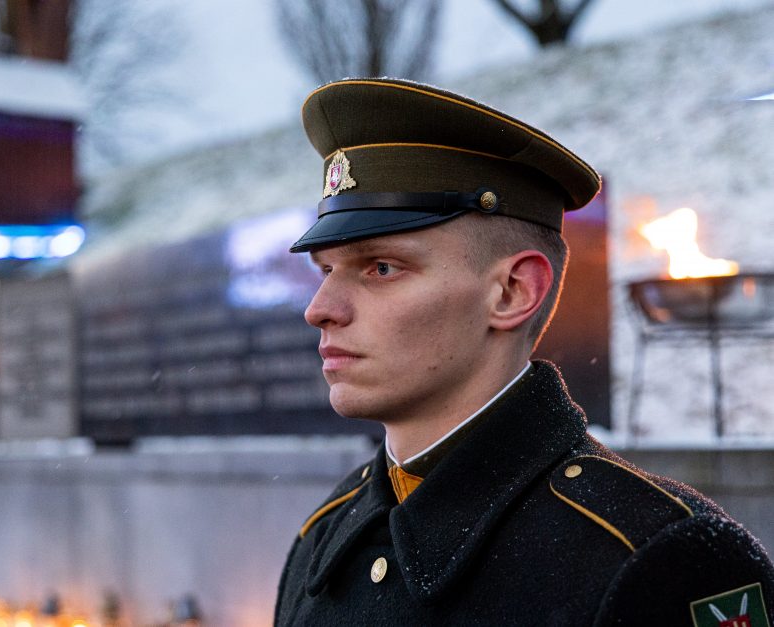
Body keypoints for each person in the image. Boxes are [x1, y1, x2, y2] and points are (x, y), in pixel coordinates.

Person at [274, 78, 774, 626]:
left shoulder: (662, 560)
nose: (320, 308)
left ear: (512, 292)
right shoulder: (324, 538)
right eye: (325, 270)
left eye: (381, 267)